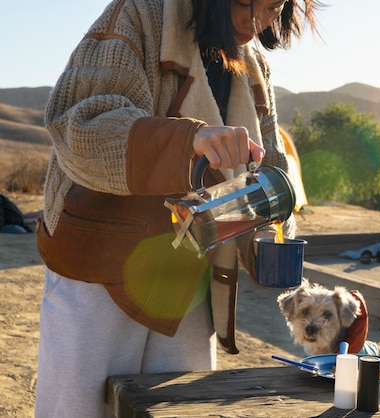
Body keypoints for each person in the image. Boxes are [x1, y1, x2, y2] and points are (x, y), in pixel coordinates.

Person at [34, 0, 321, 416]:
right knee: (80, 410)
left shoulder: (254, 64)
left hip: (188, 279)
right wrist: (188, 142)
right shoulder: (141, 15)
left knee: (182, 409)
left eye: (273, 7)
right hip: (100, 271)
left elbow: (270, 166)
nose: (256, 21)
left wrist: (265, 233)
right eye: (244, 3)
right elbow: (79, 127)